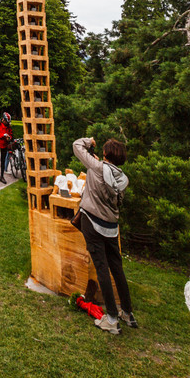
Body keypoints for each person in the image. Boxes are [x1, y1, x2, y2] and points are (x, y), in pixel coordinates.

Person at [73, 136, 138, 335]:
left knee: (102, 269)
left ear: (105, 154)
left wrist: (88, 140)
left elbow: (77, 145)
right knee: (117, 269)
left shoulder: (97, 168)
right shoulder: (122, 178)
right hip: (111, 226)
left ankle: (110, 318)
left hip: (92, 222)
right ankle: (126, 312)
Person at [0, 113, 13, 184]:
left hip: (4, 144)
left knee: (3, 161)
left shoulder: (9, 126)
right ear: (3, 119)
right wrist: (2, 135)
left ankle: (2, 176)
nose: (7, 123)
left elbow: (11, 135)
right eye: (6, 121)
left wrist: (9, 138)